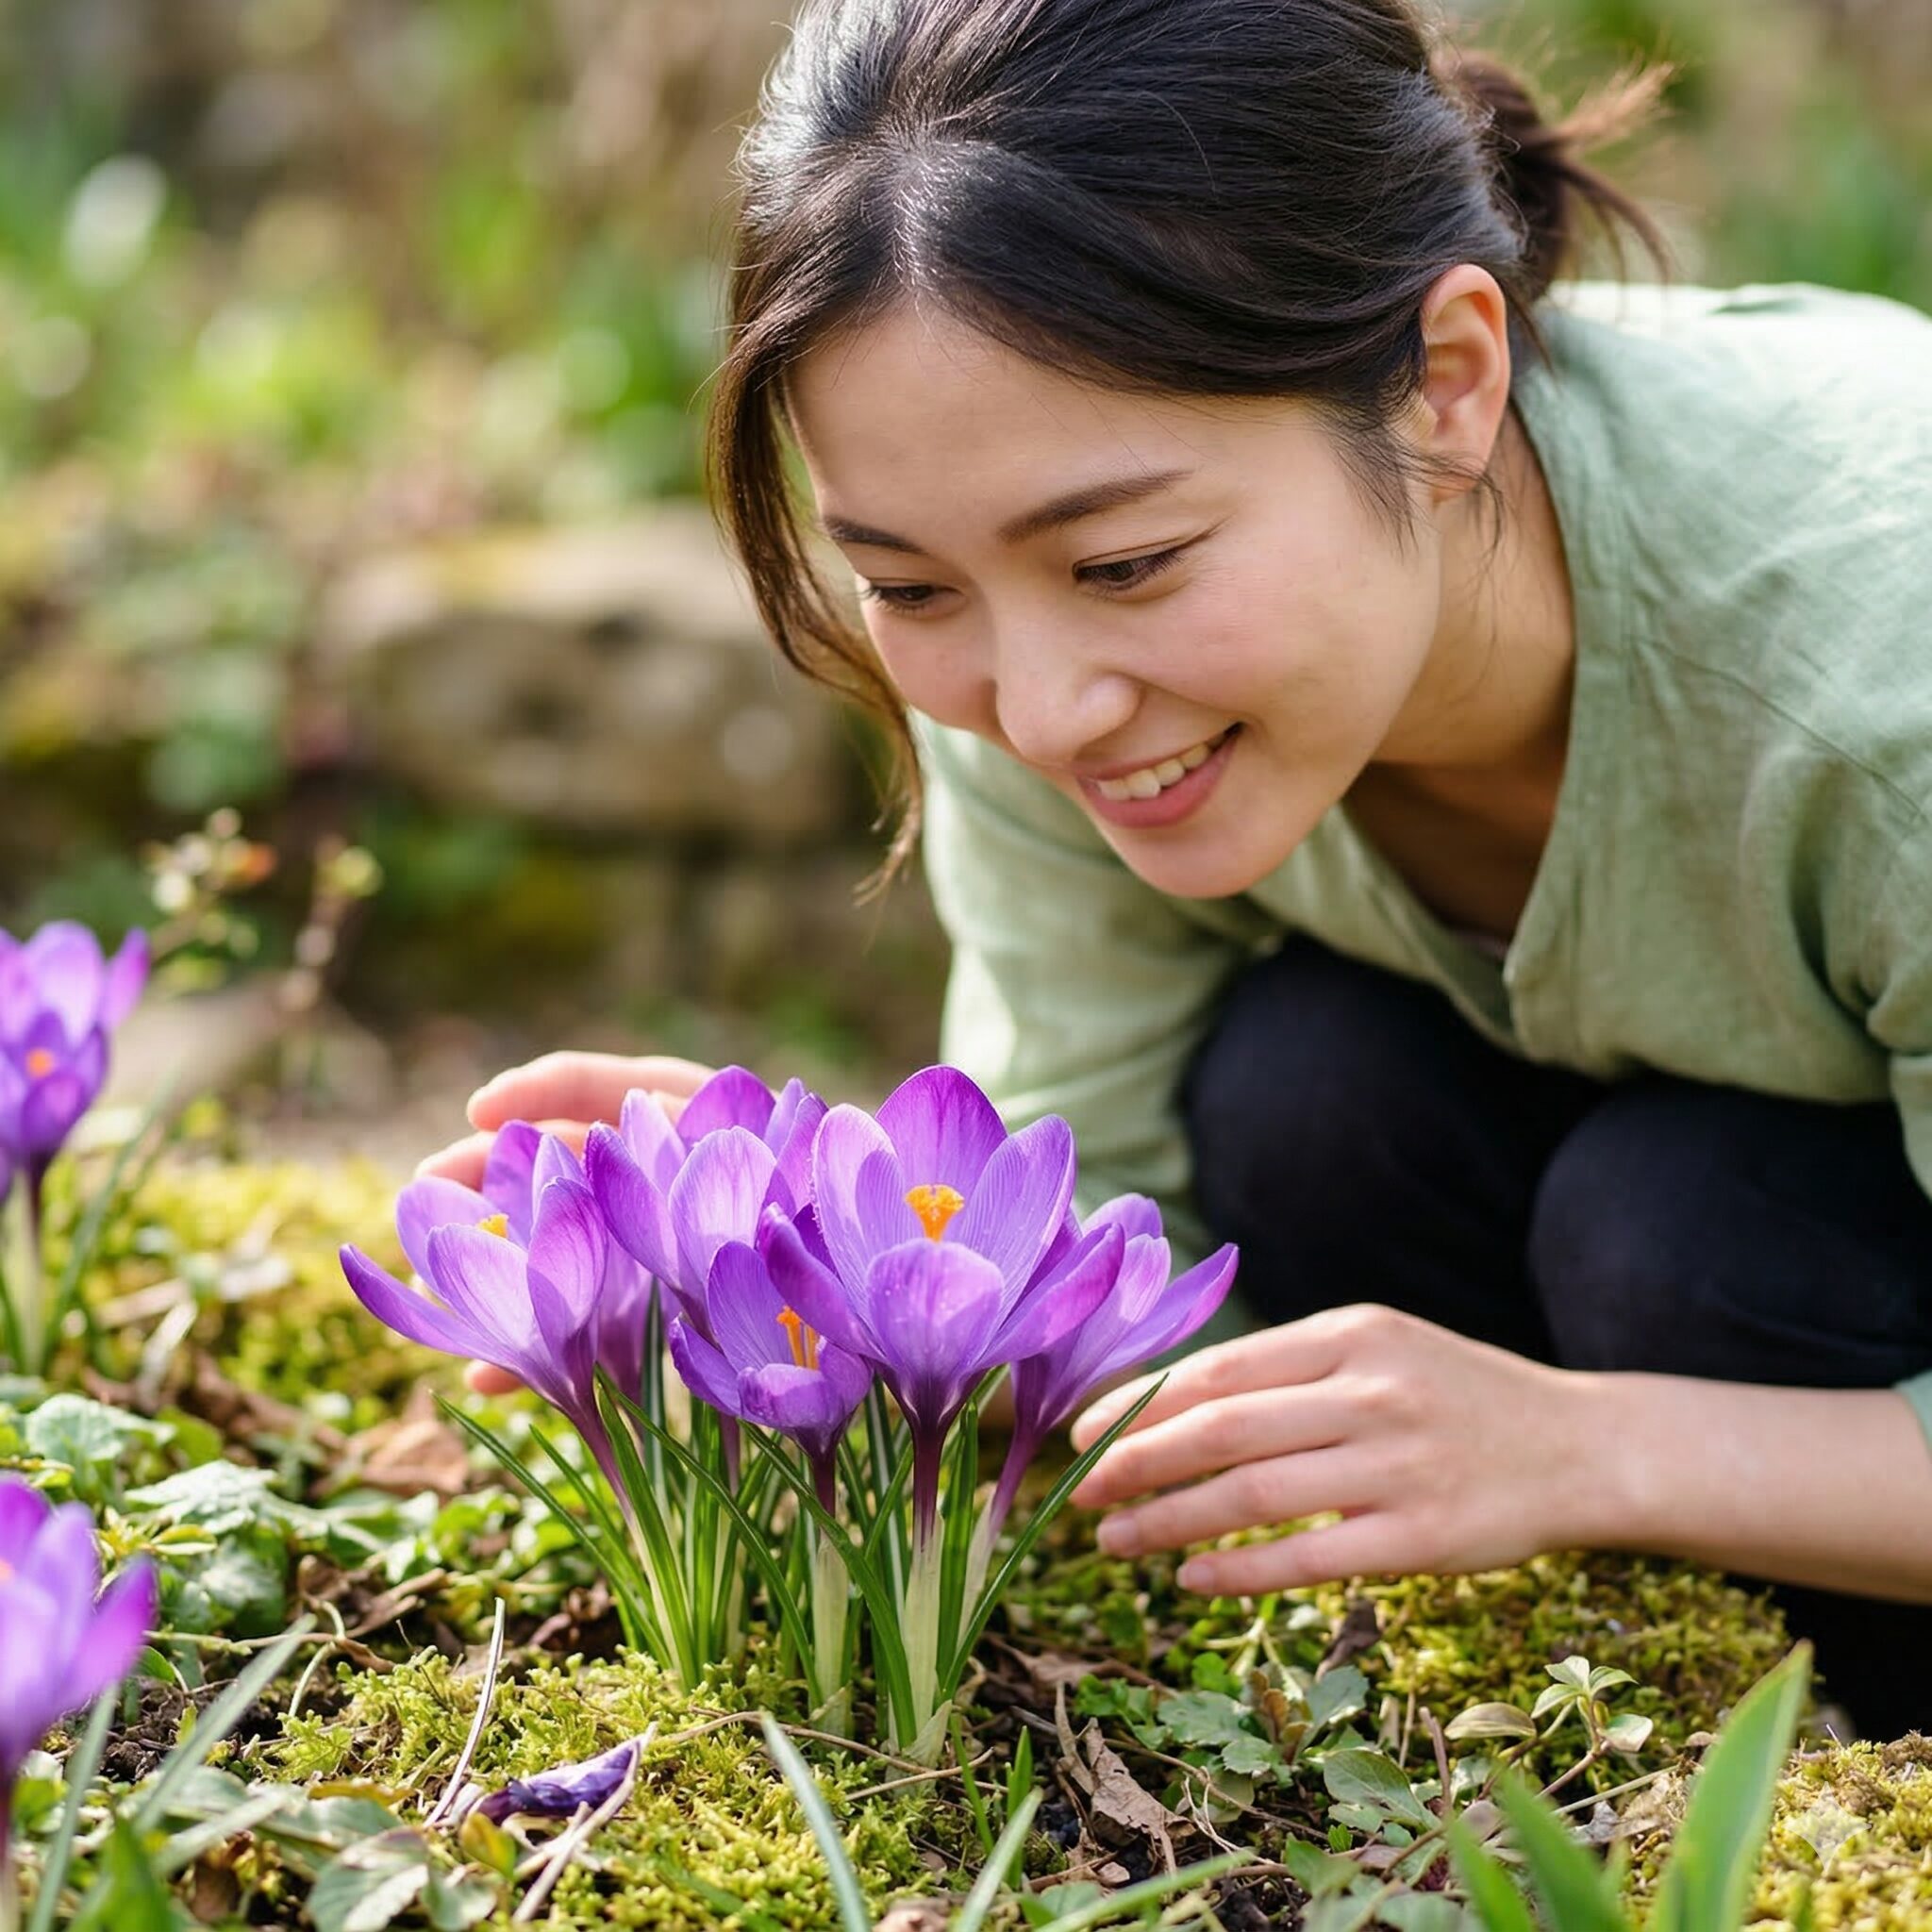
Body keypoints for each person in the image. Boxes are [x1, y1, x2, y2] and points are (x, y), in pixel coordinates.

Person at [423, 0, 1932, 1735]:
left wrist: (1593, 1448)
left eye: (1128, 562)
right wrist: (783, 1252)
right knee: (1307, 1095)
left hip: (1760, 1260)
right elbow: (1084, 1282)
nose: (1041, 709)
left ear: (1449, 382)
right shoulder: (1046, 679)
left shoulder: (1877, 689)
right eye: (909, 586)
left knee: (1679, 1234)